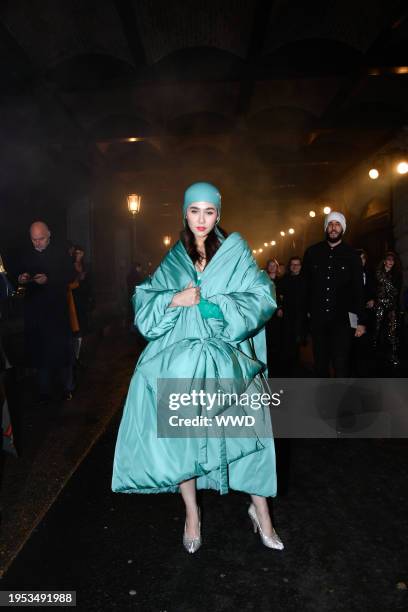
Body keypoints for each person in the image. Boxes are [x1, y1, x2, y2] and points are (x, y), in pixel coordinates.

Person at [112, 182, 284, 553]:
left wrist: (216, 307)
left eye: (209, 211)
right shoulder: (174, 259)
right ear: (185, 214)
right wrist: (175, 299)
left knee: (248, 435)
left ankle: (261, 513)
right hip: (184, 364)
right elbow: (145, 306)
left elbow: (262, 296)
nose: (201, 219)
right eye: (194, 211)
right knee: (183, 441)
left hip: (228, 365)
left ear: (218, 213)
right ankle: (192, 514)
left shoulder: (236, 252)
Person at [301, 212, 366, 377]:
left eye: (337, 224)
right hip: (318, 320)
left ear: (342, 228)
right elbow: (305, 286)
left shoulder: (352, 255)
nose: (333, 228)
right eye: (330, 224)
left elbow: (359, 289)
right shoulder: (312, 252)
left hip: (343, 320)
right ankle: (322, 399)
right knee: (320, 363)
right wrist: (304, 318)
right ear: (326, 228)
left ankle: (339, 399)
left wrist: (361, 321)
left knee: (340, 363)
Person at [18, 222, 75, 402]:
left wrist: (49, 280)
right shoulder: (26, 255)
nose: (38, 243)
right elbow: (18, 276)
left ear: (49, 234)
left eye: (41, 239)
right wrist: (22, 278)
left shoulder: (60, 254)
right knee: (40, 354)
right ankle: (44, 391)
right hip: (36, 314)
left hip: (56, 312)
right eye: (34, 240)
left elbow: (69, 276)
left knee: (62, 352)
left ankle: (67, 387)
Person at [373, 251, 402, 368]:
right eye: (388, 259)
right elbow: (373, 289)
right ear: (384, 261)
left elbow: (396, 291)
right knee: (376, 328)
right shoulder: (377, 273)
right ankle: (374, 352)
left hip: (391, 306)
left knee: (392, 330)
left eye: (392, 260)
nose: (390, 262)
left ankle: (393, 354)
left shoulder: (397, 275)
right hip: (379, 304)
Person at [275, 256, 303, 375]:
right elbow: (277, 295)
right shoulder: (284, 279)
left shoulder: (306, 280)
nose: (295, 266)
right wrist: (280, 307)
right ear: (289, 266)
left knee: (299, 341)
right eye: (293, 264)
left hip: (301, 316)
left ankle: (296, 367)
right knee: (286, 342)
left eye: (297, 264)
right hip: (287, 315)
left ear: (301, 266)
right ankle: (286, 369)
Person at [264, 259, 282, 376]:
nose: (272, 267)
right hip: (266, 314)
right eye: (269, 265)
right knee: (267, 339)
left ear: (277, 267)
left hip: (278, 314)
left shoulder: (282, 280)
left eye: (274, 266)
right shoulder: (263, 280)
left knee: (277, 338)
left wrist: (280, 307)